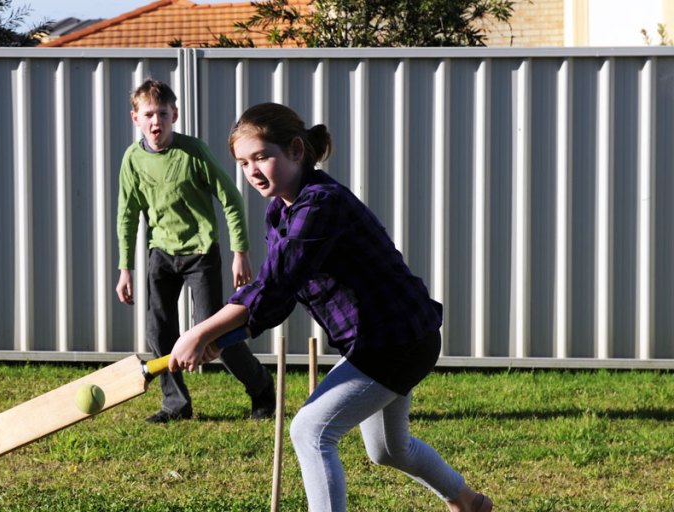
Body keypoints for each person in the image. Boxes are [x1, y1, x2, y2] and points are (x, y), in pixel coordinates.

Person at [167, 102, 494, 511]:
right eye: (243, 162)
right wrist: (226, 336)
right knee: (388, 449)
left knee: (310, 431)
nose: (252, 171)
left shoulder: (321, 204)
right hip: (381, 340)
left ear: (296, 150)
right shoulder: (280, 211)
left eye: (262, 157)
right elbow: (282, 294)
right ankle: (469, 503)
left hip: (397, 339)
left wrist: (200, 331)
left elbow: (273, 286)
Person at [115, 79, 275, 424]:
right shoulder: (133, 160)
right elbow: (127, 216)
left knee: (214, 332)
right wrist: (125, 268)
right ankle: (176, 403)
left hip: (201, 253)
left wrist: (240, 251)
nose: (156, 122)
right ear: (135, 118)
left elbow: (231, 198)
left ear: (174, 114)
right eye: (148, 115)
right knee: (159, 331)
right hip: (161, 254)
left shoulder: (193, 152)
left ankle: (262, 388)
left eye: (162, 114)